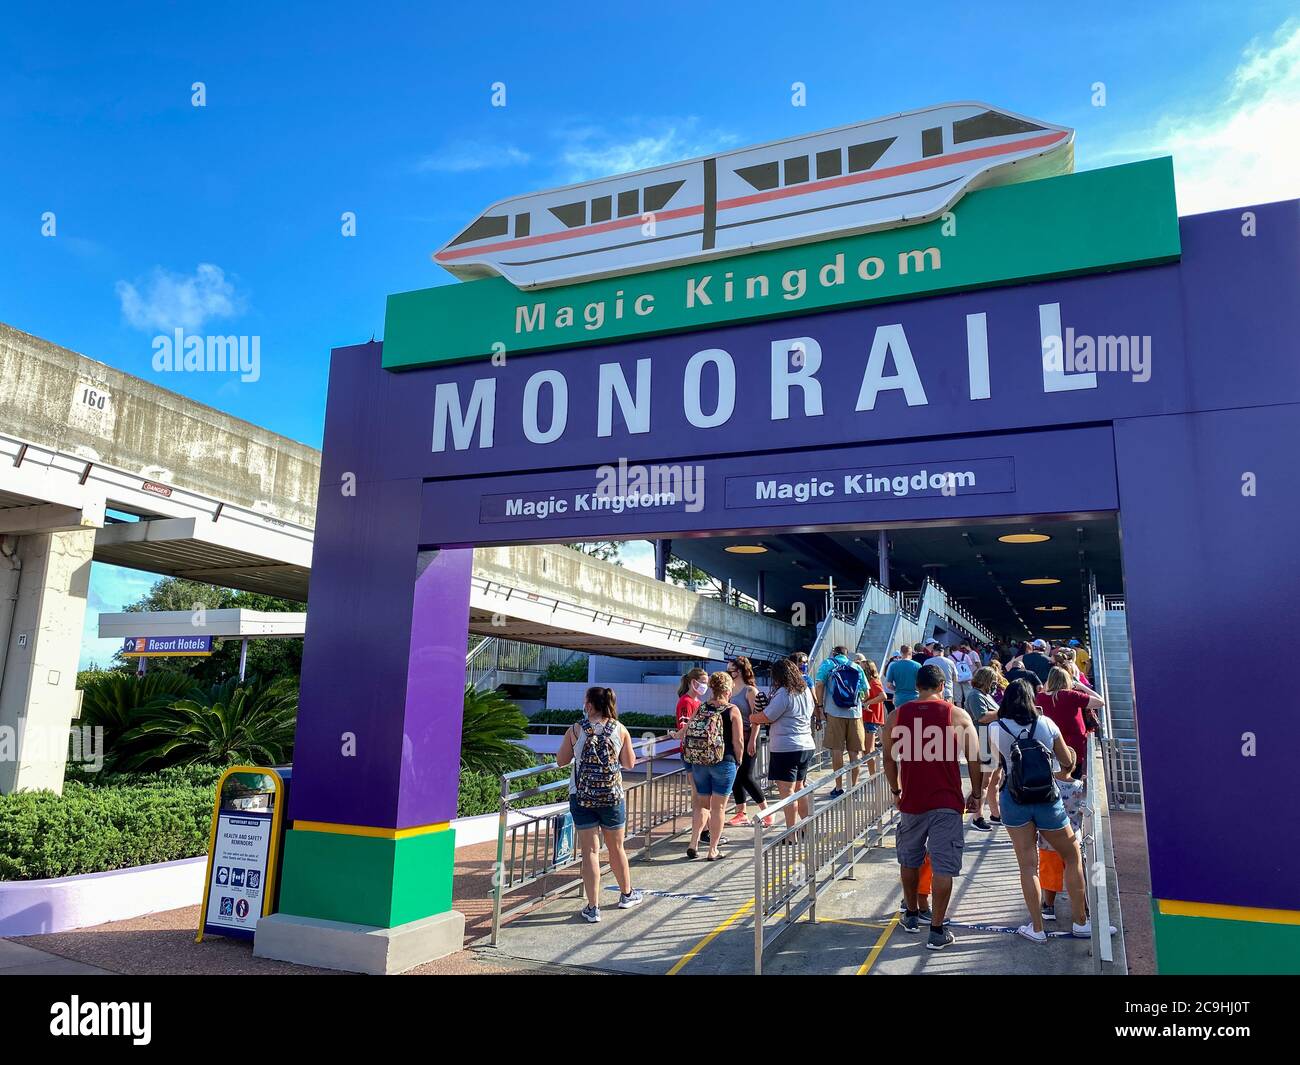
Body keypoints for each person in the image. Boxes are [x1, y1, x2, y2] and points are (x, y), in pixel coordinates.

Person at [883, 663, 983, 950]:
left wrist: (895, 789)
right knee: (943, 866)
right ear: (942, 687)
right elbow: (975, 758)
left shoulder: (897, 715)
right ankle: (937, 930)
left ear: (917, 686)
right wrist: (975, 793)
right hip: (947, 802)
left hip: (912, 801)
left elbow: (888, 759)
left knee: (909, 859)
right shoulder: (957, 715)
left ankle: (912, 914)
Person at [992, 679, 1092, 941]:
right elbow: (1068, 761)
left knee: (1028, 866)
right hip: (1048, 798)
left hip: (1014, 799)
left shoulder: (995, 728)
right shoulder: (1047, 724)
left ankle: (1036, 928)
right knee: (1071, 857)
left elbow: (989, 764)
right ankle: (1081, 921)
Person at [555, 686, 642, 922]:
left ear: (590, 705)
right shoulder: (620, 729)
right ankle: (626, 895)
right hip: (612, 798)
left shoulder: (575, 729)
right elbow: (630, 763)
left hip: (582, 797)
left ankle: (593, 908)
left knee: (590, 852)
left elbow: (561, 761)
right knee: (616, 849)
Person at [681, 671, 745, 860]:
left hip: (700, 762)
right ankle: (712, 850)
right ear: (728, 689)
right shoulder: (732, 710)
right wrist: (739, 761)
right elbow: (738, 741)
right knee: (718, 808)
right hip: (724, 762)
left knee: (702, 805)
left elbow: (687, 730)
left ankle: (693, 843)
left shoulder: (701, 707)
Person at [747, 657, 815, 830]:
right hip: (806, 744)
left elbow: (767, 717)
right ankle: (806, 827)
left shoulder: (784, 693)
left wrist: (752, 717)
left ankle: (791, 834)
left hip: (786, 747)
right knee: (800, 788)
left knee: (787, 793)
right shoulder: (805, 690)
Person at [814, 645, 867, 798]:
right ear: (847, 654)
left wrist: (820, 705)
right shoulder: (856, 666)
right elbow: (866, 690)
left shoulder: (828, 664)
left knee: (837, 750)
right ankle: (854, 787)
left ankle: (838, 787)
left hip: (834, 712)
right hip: (855, 713)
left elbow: (819, 684)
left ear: (833, 653)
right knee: (854, 752)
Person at [726, 656, 772, 827]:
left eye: (731, 669)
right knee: (736, 776)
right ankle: (741, 812)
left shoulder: (750, 691)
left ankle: (766, 811)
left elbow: (757, 718)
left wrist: (753, 740)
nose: (729, 672)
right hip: (734, 738)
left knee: (746, 776)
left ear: (739, 671)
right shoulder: (729, 689)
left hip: (748, 737)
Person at [1036, 667, 1104, 779]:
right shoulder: (1071, 695)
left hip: (1051, 745)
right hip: (1075, 745)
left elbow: (1044, 691)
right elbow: (1100, 702)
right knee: (1075, 777)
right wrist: (1081, 685)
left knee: (1053, 778)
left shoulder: (1040, 697)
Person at [964, 666, 1001, 831]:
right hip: (982, 741)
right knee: (982, 783)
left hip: (991, 741)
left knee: (995, 781)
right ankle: (977, 817)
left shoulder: (983, 695)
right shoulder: (975, 695)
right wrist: (1004, 711)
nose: (995, 684)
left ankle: (995, 814)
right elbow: (982, 717)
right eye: (993, 681)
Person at [859, 658, 887, 756]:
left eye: (861, 668)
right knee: (866, 750)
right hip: (867, 717)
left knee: (868, 750)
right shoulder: (868, 682)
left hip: (870, 717)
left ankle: (873, 771)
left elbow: (883, 696)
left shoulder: (873, 682)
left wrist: (868, 703)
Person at [884, 644, 921, 711]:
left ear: (901, 653)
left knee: (901, 720)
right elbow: (921, 683)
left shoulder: (893, 665)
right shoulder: (918, 666)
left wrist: (897, 689)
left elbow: (888, 685)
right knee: (917, 719)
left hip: (899, 698)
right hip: (915, 697)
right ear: (911, 653)